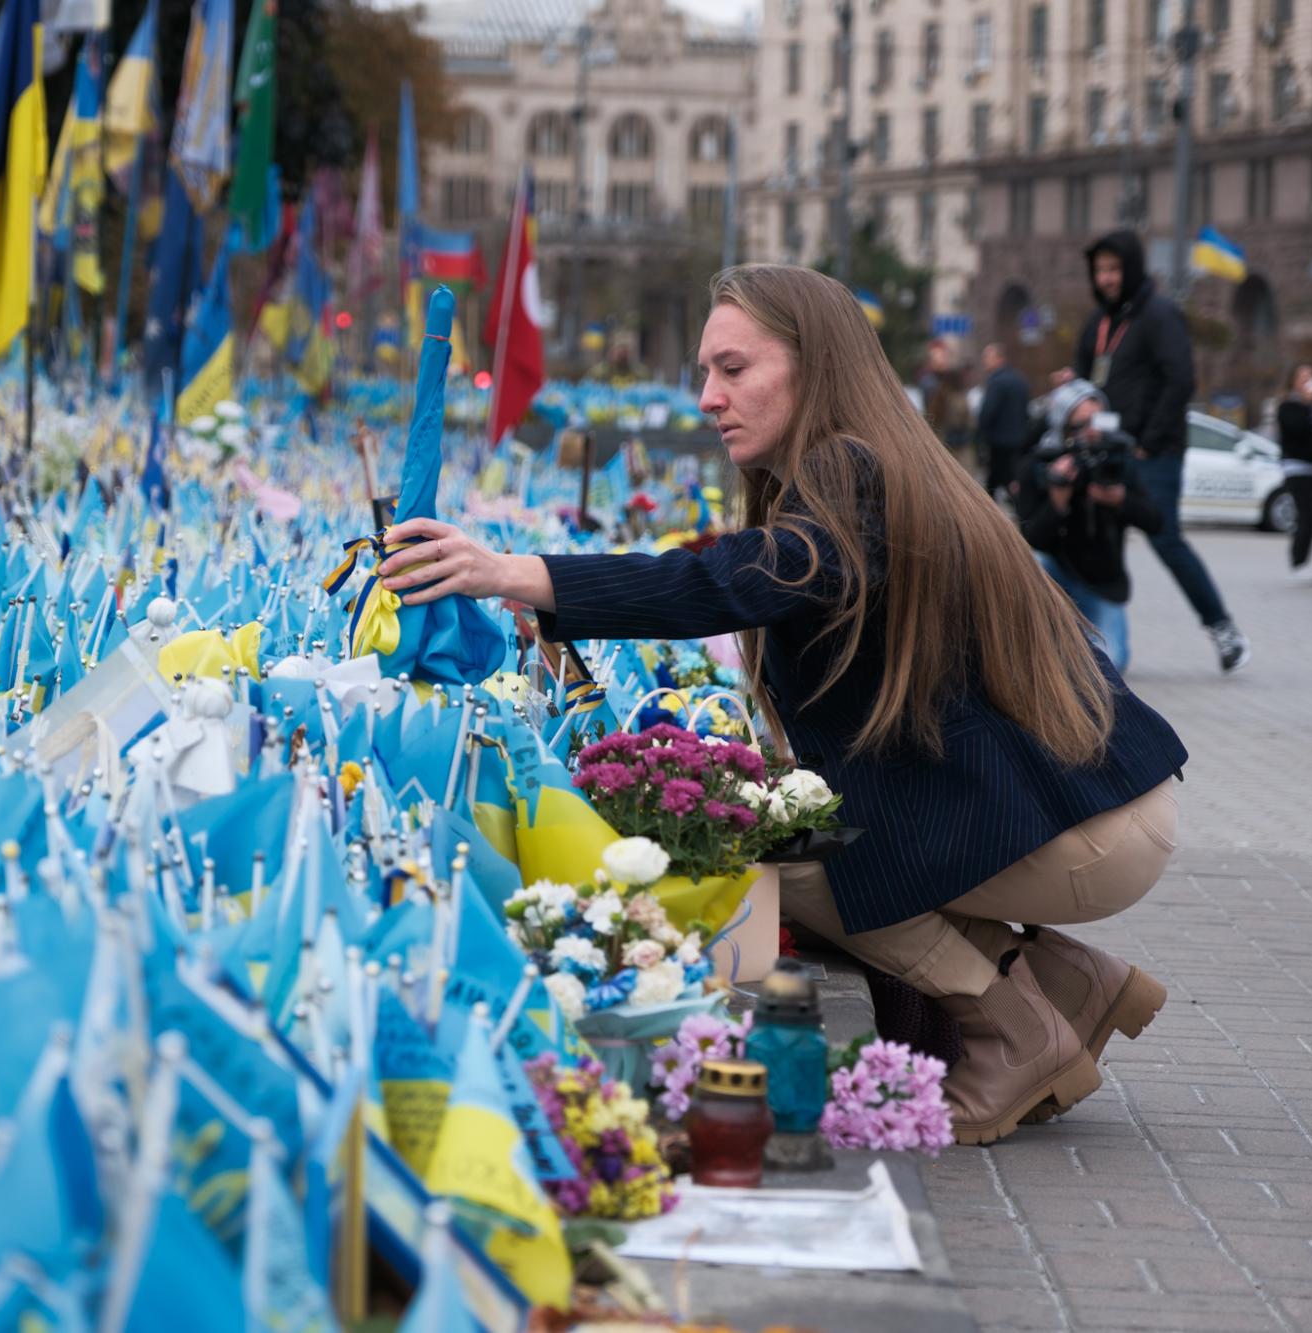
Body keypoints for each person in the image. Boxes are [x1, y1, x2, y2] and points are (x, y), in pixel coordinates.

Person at [381, 265, 1188, 1146]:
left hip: (1084, 822)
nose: (708, 397)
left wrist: (511, 572)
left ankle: (1013, 1028)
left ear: (815, 366)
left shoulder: (849, 471)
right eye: (705, 371)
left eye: (733, 369)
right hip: (1089, 800)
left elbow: (725, 582)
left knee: (781, 863)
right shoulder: (868, 461)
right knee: (806, 829)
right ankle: (1072, 982)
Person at [1074, 229, 1251, 673]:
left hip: (1152, 455)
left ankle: (1223, 628)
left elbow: (1180, 380)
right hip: (1103, 451)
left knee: (1166, 538)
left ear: (1132, 269)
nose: (1106, 278)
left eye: (1114, 269)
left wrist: (1147, 444)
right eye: (1100, 270)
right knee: (1097, 541)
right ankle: (1100, 642)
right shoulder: (1097, 323)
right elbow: (1084, 381)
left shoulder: (1159, 315)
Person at [1017, 381, 1163, 673]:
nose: (1092, 432)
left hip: (1101, 586)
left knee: (1110, 665)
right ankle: (1041, 641)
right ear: (1062, 425)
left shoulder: (1117, 459)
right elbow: (1031, 538)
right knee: (1032, 561)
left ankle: (1075, 645)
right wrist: (1057, 501)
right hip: (1055, 581)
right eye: (1082, 424)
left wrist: (1121, 499)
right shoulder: (1040, 464)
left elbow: (1156, 522)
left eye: (1099, 421)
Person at [1274, 364, 1312, 574]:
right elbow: (1296, 431)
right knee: (1308, 513)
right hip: (1296, 467)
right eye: (1303, 377)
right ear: (1294, 381)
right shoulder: (1288, 406)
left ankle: (1300, 560)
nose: (1308, 381)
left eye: (1311, 376)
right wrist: (1307, 404)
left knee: (1309, 515)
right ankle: (1298, 560)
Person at [976, 342, 1034, 500]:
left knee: (995, 482)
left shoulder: (996, 382)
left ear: (999, 358)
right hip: (1019, 440)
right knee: (1011, 480)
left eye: (987, 357)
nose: (984, 361)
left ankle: (988, 511)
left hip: (998, 442)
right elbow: (1026, 411)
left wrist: (980, 435)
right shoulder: (1020, 379)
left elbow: (987, 413)